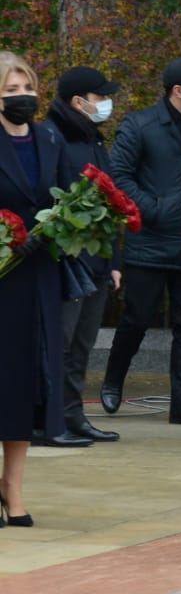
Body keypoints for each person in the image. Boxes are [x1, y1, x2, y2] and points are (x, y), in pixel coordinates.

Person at [101, 57, 181, 426]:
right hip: (150, 243)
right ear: (179, 91)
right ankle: (113, 380)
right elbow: (119, 176)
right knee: (137, 318)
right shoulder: (140, 125)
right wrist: (152, 209)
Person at [0, 53, 76, 527]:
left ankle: (14, 487)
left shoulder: (50, 136)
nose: (21, 97)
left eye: (26, 87)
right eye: (11, 91)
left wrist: (57, 229)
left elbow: (68, 195)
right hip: (2, 271)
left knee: (25, 380)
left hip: (38, 274)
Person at [46, 66, 123, 445]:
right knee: (59, 343)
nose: (107, 103)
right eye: (101, 97)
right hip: (64, 259)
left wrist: (113, 262)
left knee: (82, 343)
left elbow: (110, 201)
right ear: (79, 102)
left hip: (95, 259)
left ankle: (73, 414)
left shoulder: (94, 139)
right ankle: (50, 418)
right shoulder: (52, 137)